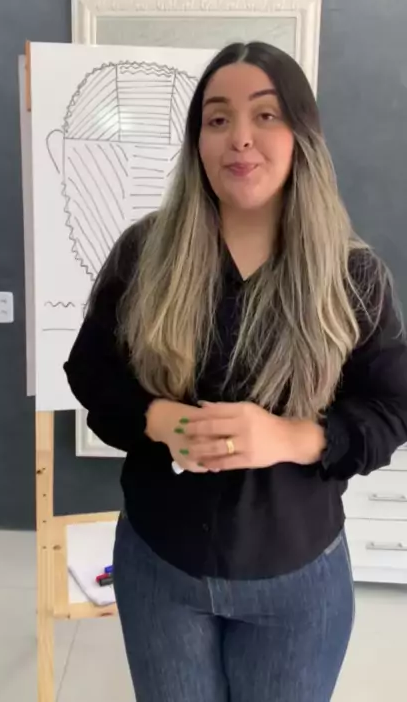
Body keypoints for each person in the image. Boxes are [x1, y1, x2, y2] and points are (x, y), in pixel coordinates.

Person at [64, 42, 407, 702]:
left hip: (297, 581)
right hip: (159, 569)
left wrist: (291, 437)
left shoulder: (353, 275)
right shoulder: (144, 252)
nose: (240, 138)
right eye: (217, 119)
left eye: (266, 115)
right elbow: (92, 371)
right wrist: (158, 419)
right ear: (197, 142)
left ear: (302, 133)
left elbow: (393, 407)